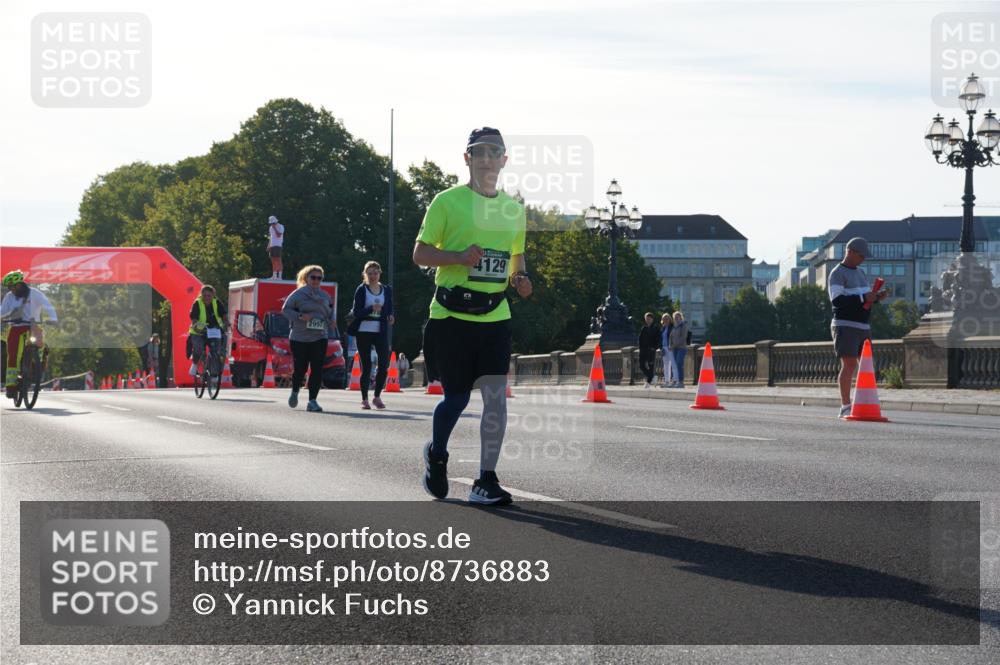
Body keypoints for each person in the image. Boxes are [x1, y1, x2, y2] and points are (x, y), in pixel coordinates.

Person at [413, 126, 532, 506]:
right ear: (467, 159)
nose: (485, 159)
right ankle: (437, 453)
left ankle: (486, 480)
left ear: (503, 160)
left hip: (494, 316)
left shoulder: (514, 211)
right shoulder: (446, 202)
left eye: (492, 152)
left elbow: (516, 257)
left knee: (496, 400)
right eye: (478, 152)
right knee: (457, 399)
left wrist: (521, 278)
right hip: (450, 316)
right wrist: (458, 257)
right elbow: (420, 254)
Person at [828, 237, 889, 418]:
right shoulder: (837, 273)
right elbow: (837, 301)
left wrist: (877, 298)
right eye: (861, 256)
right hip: (845, 325)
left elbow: (863, 300)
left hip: (863, 325)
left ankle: (862, 402)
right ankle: (845, 405)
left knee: (865, 366)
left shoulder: (860, 273)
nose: (863, 259)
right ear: (850, 252)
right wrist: (865, 298)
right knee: (849, 365)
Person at [282, 265, 337, 412]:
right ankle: (295, 391)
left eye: (319, 278)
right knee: (300, 368)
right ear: (306, 278)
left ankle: (312, 401)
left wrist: (332, 320)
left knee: (317, 368)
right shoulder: (297, 294)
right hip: (299, 337)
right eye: (313, 277)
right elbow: (285, 310)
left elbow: (331, 311)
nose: (316, 280)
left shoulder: (325, 296)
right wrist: (300, 316)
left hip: (320, 336)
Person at [346, 261, 395, 410]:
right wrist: (371, 308)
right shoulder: (362, 289)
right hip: (364, 331)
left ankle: (377, 396)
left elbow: (389, 308)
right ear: (365, 275)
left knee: (383, 366)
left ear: (380, 273)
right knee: (366, 367)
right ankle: (364, 399)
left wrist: (391, 316)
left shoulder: (386, 290)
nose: (373, 276)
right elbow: (356, 312)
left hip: (380, 331)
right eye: (370, 273)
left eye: (375, 272)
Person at [2, 270, 58, 398]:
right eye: (9, 287)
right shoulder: (9, 296)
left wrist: (53, 318)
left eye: (12, 286)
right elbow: (2, 310)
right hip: (16, 326)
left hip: (33, 325)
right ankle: (11, 387)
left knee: (41, 344)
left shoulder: (35, 293)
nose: (11, 290)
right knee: (13, 355)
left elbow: (48, 306)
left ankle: (35, 369)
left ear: (19, 284)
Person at [187, 285, 227, 379]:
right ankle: (195, 365)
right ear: (201, 295)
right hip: (198, 331)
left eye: (209, 295)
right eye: (204, 295)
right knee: (199, 348)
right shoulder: (197, 303)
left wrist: (226, 322)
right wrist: (196, 326)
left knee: (216, 349)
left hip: (213, 330)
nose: (207, 297)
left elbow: (224, 314)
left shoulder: (216, 302)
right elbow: (194, 319)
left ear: (213, 295)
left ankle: (214, 372)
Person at [638, 312, 659, 389]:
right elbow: (640, 339)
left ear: (652, 319)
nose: (647, 320)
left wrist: (654, 347)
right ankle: (652, 377)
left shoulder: (655, 328)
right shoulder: (644, 328)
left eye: (649, 319)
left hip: (651, 350)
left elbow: (657, 339)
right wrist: (640, 348)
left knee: (651, 366)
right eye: (646, 319)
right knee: (641, 365)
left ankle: (649, 381)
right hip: (643, 350)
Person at [669, 311, 689, 387]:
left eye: (678, 316)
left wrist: (674, 345)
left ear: (681, 317)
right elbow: (670, 337)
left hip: (681, 348)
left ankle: (681, 382)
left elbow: (683, 337)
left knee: (679, 363)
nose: (677, 318)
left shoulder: (683, 326)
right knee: (675, 365)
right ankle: (675, 381)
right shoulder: (674, 326)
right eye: (675, 317)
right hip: (674, 349)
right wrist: (670, 345)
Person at [660, 312, 677, 387]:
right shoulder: (663, 328)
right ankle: (667, 381)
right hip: (664, 348)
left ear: (670, 319)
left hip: (670, 347)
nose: (665, 320)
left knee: (673, 364)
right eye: (664, 319)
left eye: (667, 318)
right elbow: (661, 339)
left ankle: (675, 380)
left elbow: (674, 337)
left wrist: (672, 345)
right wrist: (661, 348)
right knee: (666, 365)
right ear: (662, 320)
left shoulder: (672, 327)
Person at [267, 215, 285, 279]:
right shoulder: (270, 228)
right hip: (272, 245)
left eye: (273, 223)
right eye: (271, 223)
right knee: (273, 261)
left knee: (278, 260)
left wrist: (275, 228)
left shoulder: (281, 226)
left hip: (278, 245)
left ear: (275, 222)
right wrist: (269, 245)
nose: (272, 224)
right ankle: (274, 276)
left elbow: (279, 235)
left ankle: (279, 276)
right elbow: (271, 237)